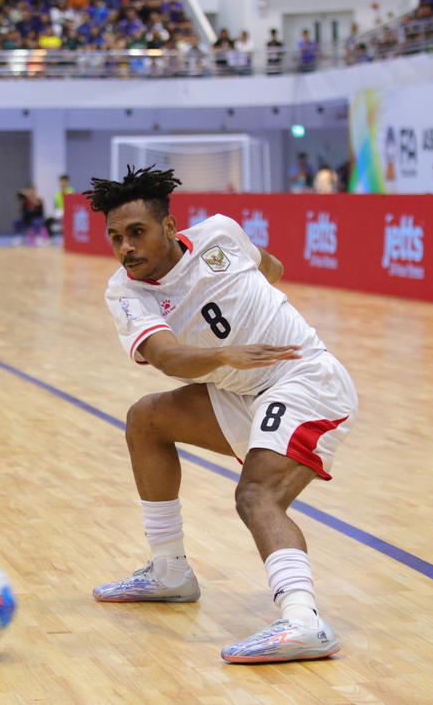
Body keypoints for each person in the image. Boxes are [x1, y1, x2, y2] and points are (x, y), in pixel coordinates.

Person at [89, 166, 358, 663]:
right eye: (115, 237)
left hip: (304, 380)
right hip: (237, 387)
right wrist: (225, 355)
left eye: (136, 232)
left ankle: (304, 621)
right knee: (145, 419)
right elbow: (167, 358)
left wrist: (262, 312)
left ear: (170, 228)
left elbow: (268, 267)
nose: (125, 247)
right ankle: (169, 570)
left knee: (257, 494)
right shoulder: (126, 293)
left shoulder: (219, 232)